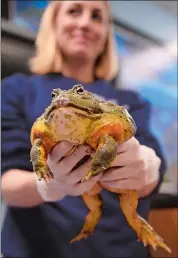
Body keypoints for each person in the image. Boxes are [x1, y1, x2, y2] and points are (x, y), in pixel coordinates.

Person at [1, 1, 166, 258]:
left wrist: (147, 168)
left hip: (121, 248)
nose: (85, 23)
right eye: (74, 11)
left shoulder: (128, 100)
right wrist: (48, 185)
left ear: (105, 36)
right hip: (41, 247)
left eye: (97, 16)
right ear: (53, 23)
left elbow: (154, 169)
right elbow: (5, 181)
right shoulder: (17, 89)